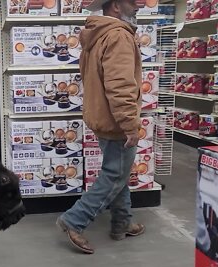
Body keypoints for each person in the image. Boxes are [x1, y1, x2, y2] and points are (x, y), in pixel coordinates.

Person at [56, 0, 145, 254]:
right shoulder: (118, 36)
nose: (137, 6)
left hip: (102, 116)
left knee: (119, 173)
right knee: (114, 175)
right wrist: (130, 125)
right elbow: (120, 86)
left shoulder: (97, 34)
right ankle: (74, 220)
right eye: (131, 3)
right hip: (116, 121)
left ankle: (122, 222)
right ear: (116, 6)